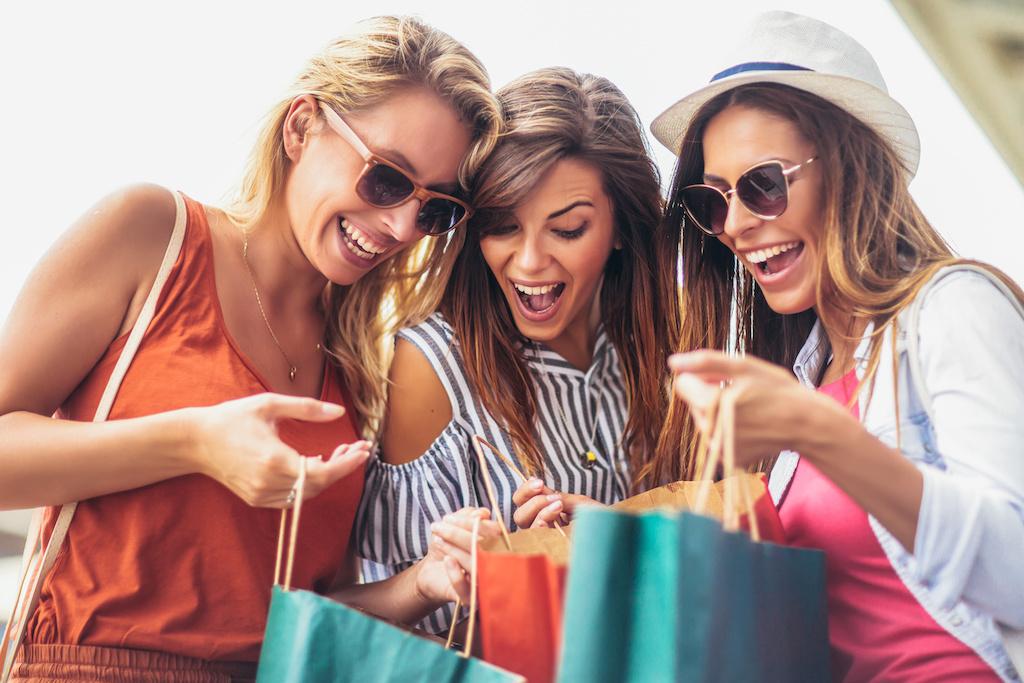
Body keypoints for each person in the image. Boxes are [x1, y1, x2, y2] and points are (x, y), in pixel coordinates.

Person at [0, 16, 500, 681]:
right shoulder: (154, 235)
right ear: (301, 127)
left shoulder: (355, 365)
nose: (401, 226)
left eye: (434, 210)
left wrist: (426, 581)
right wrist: (195, 442)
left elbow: (298, 620)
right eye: (388, 179)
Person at [657, 11, 1024, 682]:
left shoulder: (953, 306)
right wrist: (613, 537)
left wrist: (830, 438)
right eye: (713, 201)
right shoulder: (805, 380)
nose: (735, 224)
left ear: (849, 168)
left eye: (762, 185)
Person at [355, 67, 674, 632]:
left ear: (621, 227)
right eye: (503, 225)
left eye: (567, 229)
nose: (527, 263)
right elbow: (376, 622)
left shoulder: (661, 355)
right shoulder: (431, 367)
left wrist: (619, 539)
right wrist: (457, 576)